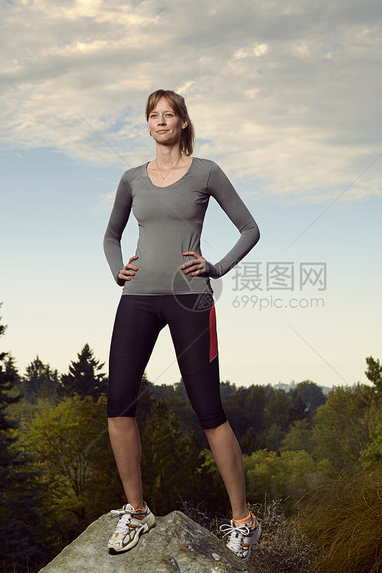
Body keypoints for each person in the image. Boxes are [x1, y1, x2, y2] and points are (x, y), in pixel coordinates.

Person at [102, 89, 262, 561]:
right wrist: (117, 269)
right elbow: (112, 235)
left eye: (168, 114)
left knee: (209, 412)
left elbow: (249, 228)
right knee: (117, 407)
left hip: (190, 300)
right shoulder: (132, 179)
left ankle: (243, 520)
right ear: (147, 124)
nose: (161, 121)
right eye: (153, 115)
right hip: (137, 300)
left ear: (183, 122)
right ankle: (136, 511)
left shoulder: (206, 172)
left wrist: (216, 267)